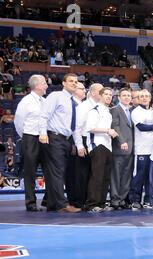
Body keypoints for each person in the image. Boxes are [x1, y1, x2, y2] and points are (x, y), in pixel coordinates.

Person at [38, 73, 81, 213]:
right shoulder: (56, 96)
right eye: (71, 81)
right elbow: (44, 114)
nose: (74, 83)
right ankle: (61, 205)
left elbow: (71, 125)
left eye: (76, 81)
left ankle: (52, 203)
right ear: (63, 83)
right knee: (57, 172)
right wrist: (43, 133)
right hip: (54, 138)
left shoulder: (71, 101)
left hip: (65, 140)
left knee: (57, 172)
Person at [13, 74, 48, 211]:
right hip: (30, 137)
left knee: (49, 170)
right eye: (44, 83)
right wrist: (26, 136)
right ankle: (31, 203)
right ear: (38, 85)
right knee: (30, 172)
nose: (46, 85)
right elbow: (18, 122)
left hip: (44, 138)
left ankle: (47, 200)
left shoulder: (45, 102)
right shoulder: (26, 101)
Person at [129, 89, 153, 210]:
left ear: (150, 98)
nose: (144, 98)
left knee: (151, 177)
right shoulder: (136, 112)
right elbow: (141, 127)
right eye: (142, 96)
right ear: (138, 99)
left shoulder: (152, 112)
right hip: (141, 150)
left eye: (147, 96)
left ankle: (148, 200)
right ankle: (135, 200)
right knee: (139, 176)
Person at [84, 87, 119, 212]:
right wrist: (108, 131)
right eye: (106, 94)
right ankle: (92, 204)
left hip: (108, 146)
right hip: (97, 145)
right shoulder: (95, 111)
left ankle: (101, 203)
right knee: (97, 175)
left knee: (105, 177)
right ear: (100, 95)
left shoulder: (108, 112)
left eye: (110, 94)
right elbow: (90, 128)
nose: (109, 96)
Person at [72, 83, 104, 209]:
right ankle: (81, 201)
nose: (103, 94)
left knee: (93, 173)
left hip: (96, 141)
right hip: (85, 140)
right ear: (94, 92)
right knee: (83, 173)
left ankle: (91, 200)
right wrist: (80, 145)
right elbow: (77, 128)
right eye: (101, 92)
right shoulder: (84, 106)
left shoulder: (100, 107)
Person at [109, 88, 134, 210]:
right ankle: (114, 200)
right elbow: (115, 126)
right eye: (124, 95)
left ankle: (122, 200)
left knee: (126, 175)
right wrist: (122, 141)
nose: (126, 97)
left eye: (128, 95)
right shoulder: (115, 110)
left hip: (130, 149)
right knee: (116, 175)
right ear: (118, 97)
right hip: (119, 147)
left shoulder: (131, 111)